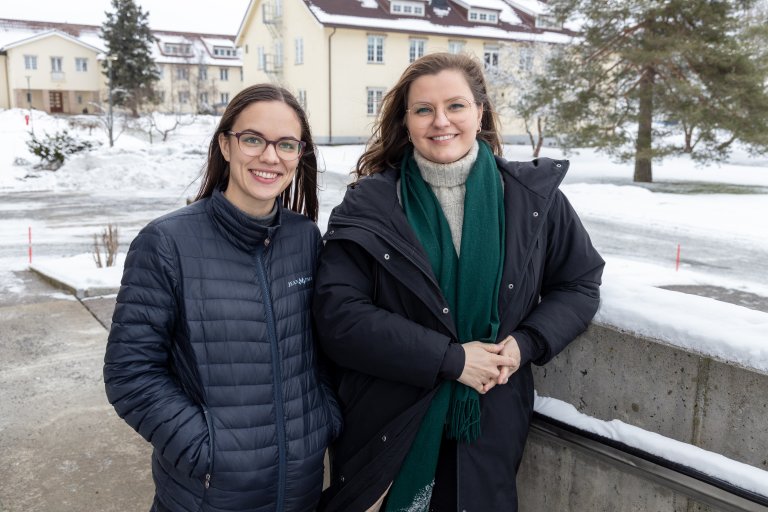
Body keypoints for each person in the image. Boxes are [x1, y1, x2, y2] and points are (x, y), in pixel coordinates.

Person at [312, 52, 604, 511]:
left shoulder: (531, 201)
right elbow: (339, 317)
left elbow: (580, 283)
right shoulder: (369, 206)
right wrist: (449, 359)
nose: (440, 121)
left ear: (480, 112)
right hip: (389, 422)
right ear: (405, 122)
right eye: (423, 109)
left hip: (491, 421)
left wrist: (526, 343)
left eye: (456, 106)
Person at [104, 83, 341, 512]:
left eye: (286, 144)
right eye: (253, 139)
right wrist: (205, 448)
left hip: (300, 489)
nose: (270, 156)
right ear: (225, 145)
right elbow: (130, 373)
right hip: (208, 494)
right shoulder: (166, 243)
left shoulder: (305, 239)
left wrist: (322, 421)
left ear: (299, 154)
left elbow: (320, 350)